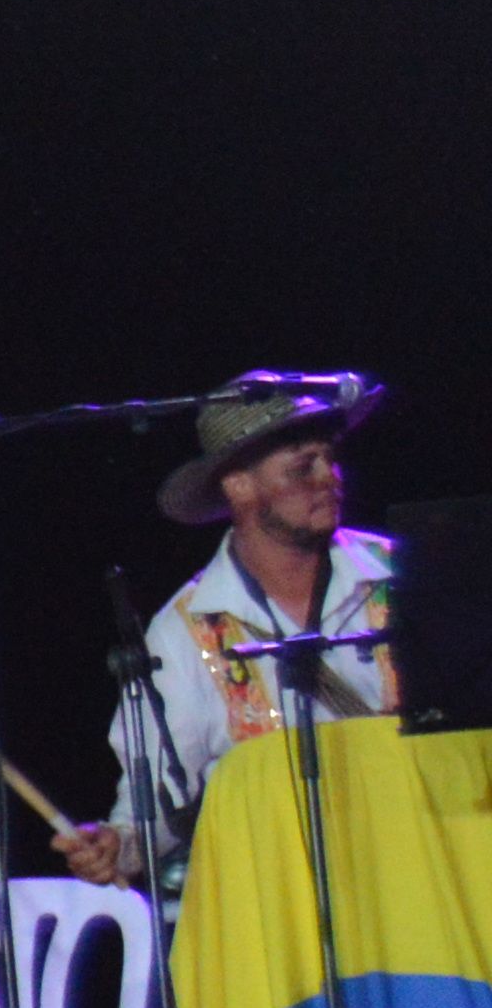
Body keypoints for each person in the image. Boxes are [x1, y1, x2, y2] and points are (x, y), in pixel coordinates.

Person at [64, 374, 397, 899]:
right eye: (301, 467)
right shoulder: (185, 629)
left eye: (328, 459)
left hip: (421, 865)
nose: (329, 478)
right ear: (238, 486)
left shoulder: (405, 576)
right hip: (285, 893)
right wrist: (119, 845)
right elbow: (159, 797)